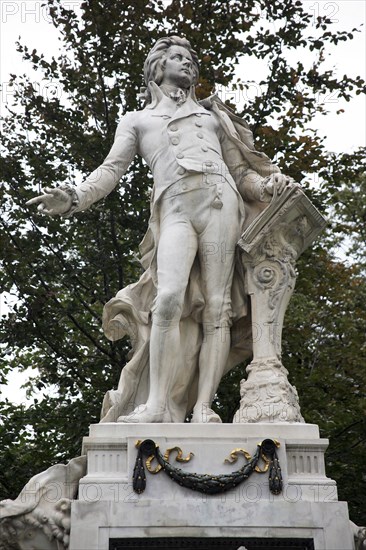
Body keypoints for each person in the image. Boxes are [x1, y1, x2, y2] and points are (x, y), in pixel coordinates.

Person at [27, 36, 292, 424]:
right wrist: (73, 197)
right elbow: (110, 171)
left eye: (190, 59)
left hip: (220, 202)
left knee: (217, 307)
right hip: (176, 208)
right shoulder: (137, 120)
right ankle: (155, 406)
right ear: (157, 66)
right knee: (167, 299)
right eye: (177, 58)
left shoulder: (213, 117)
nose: (187, 64)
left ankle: (203, 407)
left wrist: (268, 187)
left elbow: (241, 173)